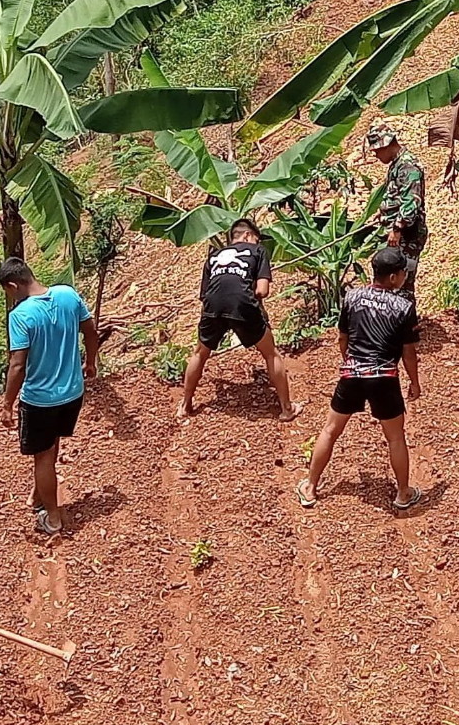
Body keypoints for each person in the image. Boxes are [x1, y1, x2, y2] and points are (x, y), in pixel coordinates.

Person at [296, 247, 423, 512]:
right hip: (384, 378)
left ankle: (310, 486)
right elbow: (408, 352)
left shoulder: (352, 297)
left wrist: (348, 363)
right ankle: (403, 493)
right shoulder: (404, 306)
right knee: (396, 437)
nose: (404, 276)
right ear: (392, 278)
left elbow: (343, 338)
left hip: (352, 374)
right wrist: (414, 382)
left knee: (330, 430)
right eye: (402, 272)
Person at [0, 258, 99, 535]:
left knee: (42, 456)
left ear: (12, 285)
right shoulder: (68, 294)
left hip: (40, 399)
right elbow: (90, 331)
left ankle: (53, 518)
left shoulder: (20, 315)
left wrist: (7, 404)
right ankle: (38, 495)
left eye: (7, 292)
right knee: (51, 445)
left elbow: (18, 364)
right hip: (73, 393)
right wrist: (91, 363)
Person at [177, 219, 300, 421]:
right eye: (256, 239)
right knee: (271, 354)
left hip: (212, 305)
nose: (257, 243)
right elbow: (262, 290)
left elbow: (205, 294)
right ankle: (287, 409)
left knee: (199, 353)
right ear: (247, 236)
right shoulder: (258, 251)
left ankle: (185, 405)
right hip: (241, 303)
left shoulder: (213, 256)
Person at [367, 123, 428, 299]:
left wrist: (397, 229)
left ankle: (405, 324)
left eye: (377, 150)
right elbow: (397, 197)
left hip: (407, 235)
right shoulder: (397, 164)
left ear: (386, 144)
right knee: (389, 283)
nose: (376, 155)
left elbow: (412, 201)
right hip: (398, 232)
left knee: (401, 285)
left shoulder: (407, 165)